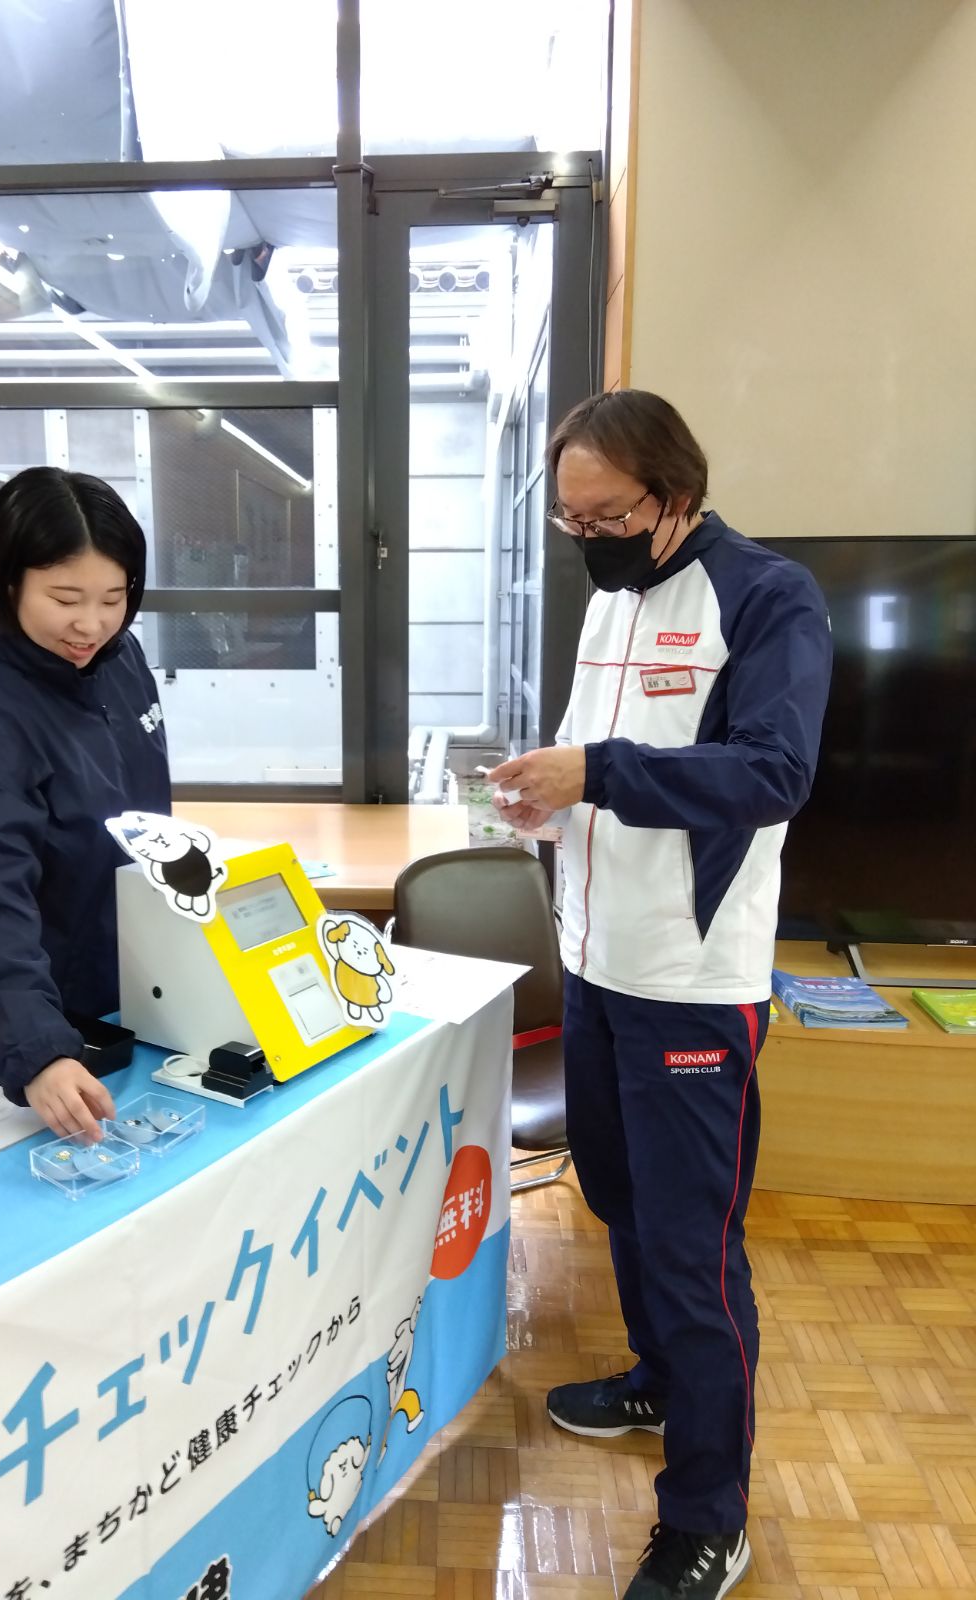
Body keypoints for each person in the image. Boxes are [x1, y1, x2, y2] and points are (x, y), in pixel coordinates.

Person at [489, 390, 832, 1600]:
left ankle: (708, 1515)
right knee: (616, 1193)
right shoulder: (609, 593)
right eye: (573, 519)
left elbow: (773, 772)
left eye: (610, 515)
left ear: (674, 493)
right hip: (595, 960)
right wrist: (550, 791)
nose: (591, 537)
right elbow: (607, 754)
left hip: (693, 981)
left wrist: (601, 772)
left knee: (695, 1251)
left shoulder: (767, 598)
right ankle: (656, 1377)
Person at [0, 467, 171, 1140]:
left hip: (131, 989)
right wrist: (38, 1050)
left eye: (114, 597)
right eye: (65, 597)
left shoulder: (116, 659)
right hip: (35, 1027)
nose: (91, 623)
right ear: (7, 580)